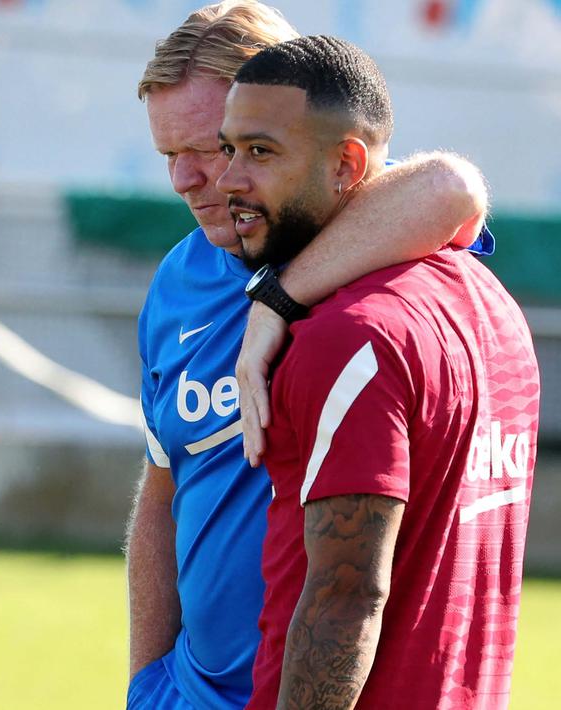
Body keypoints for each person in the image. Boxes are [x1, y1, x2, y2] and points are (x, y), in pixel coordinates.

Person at [125, 3, 492, 708]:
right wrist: (146, 683)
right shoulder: (179, 278)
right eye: (169, 156)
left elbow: (450, 186)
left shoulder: (375, 247)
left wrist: (276, 300)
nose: (189, 179)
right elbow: (162, 490)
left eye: (212, 147)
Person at [215, 35, 538, 709]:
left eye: (261, 152)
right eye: (228, 149)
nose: (227, 181)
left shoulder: (346, 341)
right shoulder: (492, 306)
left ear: (345, 165)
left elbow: (346, 600)